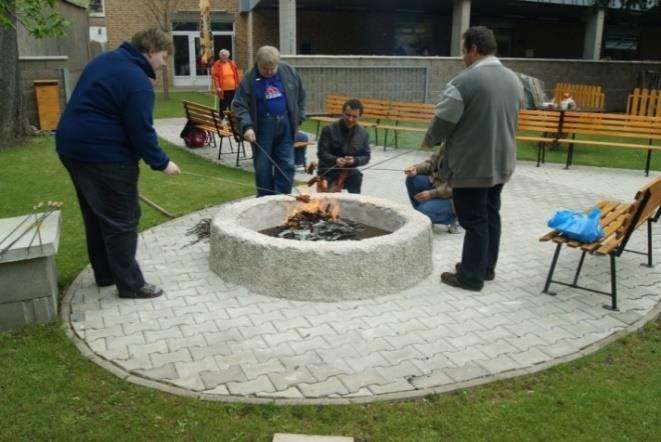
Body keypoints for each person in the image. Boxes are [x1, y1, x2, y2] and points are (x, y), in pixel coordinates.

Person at [56, 28, 181, 299]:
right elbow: (142, 132)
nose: (164, 62)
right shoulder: (137, 81)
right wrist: (163, 163)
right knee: (123, 218)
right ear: (150, 51)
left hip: (71, 148)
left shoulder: (107, 60)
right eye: (163, 55)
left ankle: (105, 273)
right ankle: (131, 285)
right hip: (103, 155)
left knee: (97, 213)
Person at [422, 26, 523, 291]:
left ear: (474, 49)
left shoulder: (463, 82)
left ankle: (470, 277)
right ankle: (485, 268)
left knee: (474, 220)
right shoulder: (514, 79)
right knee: (490, 214)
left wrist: (429, 139)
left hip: (473, 166)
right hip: (502, 163)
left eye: (464, 51)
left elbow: (443, 121)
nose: (463, 57)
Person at [233, 45, 306, 197]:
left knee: (287, 164)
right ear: (257, 63)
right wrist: (247, 127)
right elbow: (239, 104)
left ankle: (280, 198)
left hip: (285, 125)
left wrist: (298, 118)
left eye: (272, 68)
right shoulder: (249, 79)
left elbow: (301, 96)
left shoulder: (288, 71)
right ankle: (265, 200)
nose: (269, 72)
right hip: (262, 128)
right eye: (265, 69)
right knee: (262, 168)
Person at [316, 98, 371, 193]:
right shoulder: (328, 130)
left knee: (357, 176)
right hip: (328, 169)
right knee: (328, 201)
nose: (350, 119)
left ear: (360, 116)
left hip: (349, 170)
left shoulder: (363, 133)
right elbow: (321, 153)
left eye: (354, 117)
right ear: (342, 113)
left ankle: (355, 204)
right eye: (348, 115)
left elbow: (366, 156)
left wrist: (355, 160)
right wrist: (335, 160)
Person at [404, 144, 460, 233]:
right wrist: (416, 169)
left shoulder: (468, 150)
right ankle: (426, 219)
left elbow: (458, 185)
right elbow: (431, 163)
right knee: (412, 179)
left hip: (456, 198)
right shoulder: (448, 142)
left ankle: (454, 219)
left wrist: (432, 193)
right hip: (438, 188)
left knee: (423, 212)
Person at [210, 49, 240, 113]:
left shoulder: (232, 63)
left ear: (228, 56)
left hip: (233, 88)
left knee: (232, 105)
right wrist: (218, 87)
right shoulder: (217, 64)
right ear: (220, 56)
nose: (224, 57)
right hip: (223, 89)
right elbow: (215, 76)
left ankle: (231, 119)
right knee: (223, 105)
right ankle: (222, 119)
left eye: (225, 55)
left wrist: (238, 85)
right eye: (222, 55)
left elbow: (236, 75)